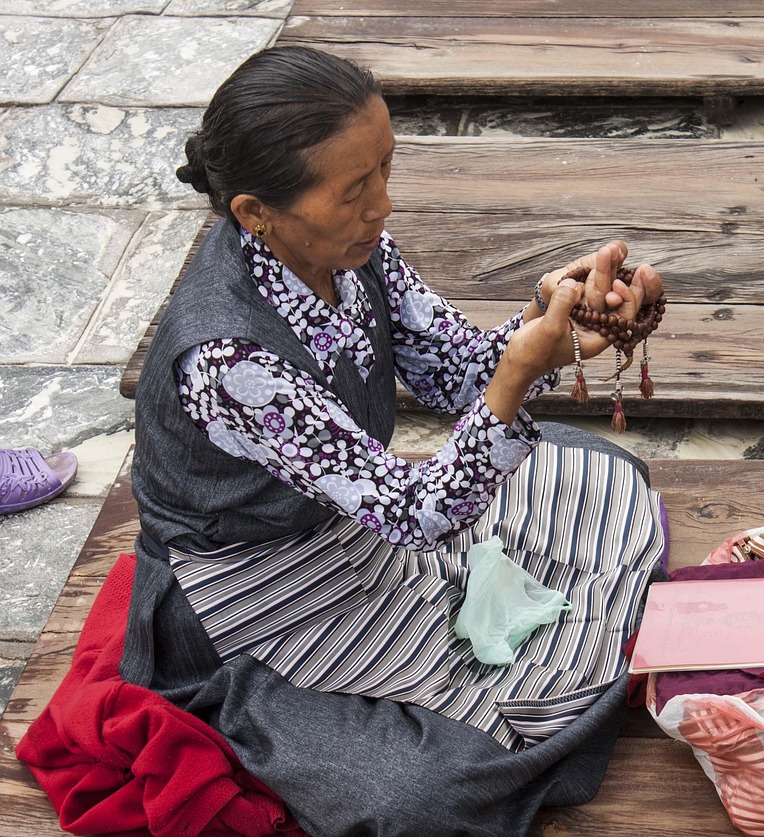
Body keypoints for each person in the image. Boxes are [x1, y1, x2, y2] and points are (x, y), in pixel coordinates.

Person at [120, 46, 667, 836]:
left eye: (386, 168)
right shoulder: (227, 358)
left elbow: (456, 371)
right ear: (254, 213)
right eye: (355, 190)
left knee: (602, 472)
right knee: (423, 792)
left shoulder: (350, 250)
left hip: (356, 520)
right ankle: (261, 708)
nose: (382, 204)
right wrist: (517, 373)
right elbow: (415, 514)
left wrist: (561, 315)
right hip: (246, 591)